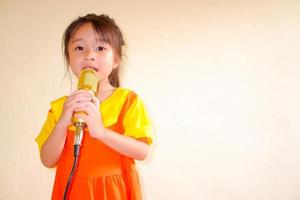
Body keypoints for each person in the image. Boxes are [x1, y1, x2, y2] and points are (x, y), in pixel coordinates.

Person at [35, 13, 153, 200]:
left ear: (116, 60)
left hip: (114, 192)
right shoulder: (59, 107)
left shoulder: (128, 101)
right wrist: (63, 123)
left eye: (100, 48)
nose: (89, 56)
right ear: (68, 57)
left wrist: (102, 132)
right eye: (79, 48)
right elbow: (47, 160)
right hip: (73, 191)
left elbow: (142, 151)